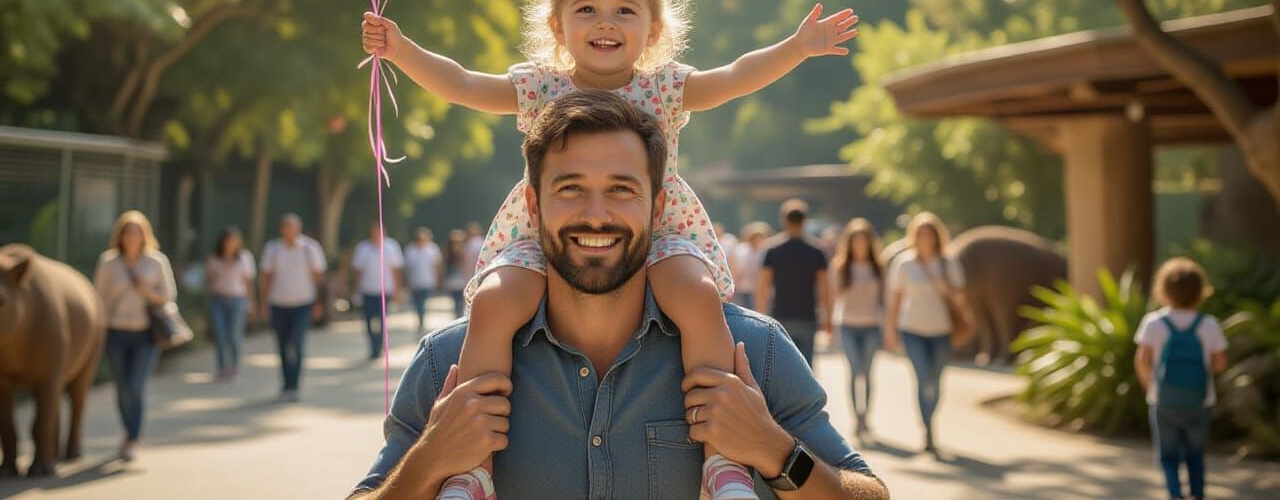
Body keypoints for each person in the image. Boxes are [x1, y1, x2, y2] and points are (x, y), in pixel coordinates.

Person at [361, 0, 858, 500]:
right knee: (496, 300)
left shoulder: (666, 88)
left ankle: (724, 460)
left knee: (696, 296)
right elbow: (463, 83)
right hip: (541, 231)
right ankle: (471, 465)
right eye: (587, 9)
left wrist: (796, 47)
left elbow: (735, 77)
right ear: (557, 25)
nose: (605, 22)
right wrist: (400, 49)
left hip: (661, 229)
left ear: (653, 29)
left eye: (626, 11)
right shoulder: (539, 87)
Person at [349, 90, 886, 500]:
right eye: (571, 188)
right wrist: (429, 461)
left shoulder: (751, 350)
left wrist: (775, 451)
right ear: (533, 210)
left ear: (658, 210)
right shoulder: (452, 361)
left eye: (622, 189)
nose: (597, 213)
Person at [1134, 257, 1228, 500]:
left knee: (1168, 456)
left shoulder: (1153, 323)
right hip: (1200, 401)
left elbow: (1142, 362)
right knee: (1195, 456)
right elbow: (1220, 364)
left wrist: (1150, 388)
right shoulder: (1209, 325)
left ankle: (1175, 495)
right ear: (1200, 292)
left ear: (1163, 291)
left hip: (1162, 401)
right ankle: (1197, 495)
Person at [92, 210, 176, 462]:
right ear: (120, 235)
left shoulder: (156, 261)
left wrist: (147, 292)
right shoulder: (108, 262)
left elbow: (168, 295)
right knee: (122, 387)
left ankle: (132, 437)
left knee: (136, 386)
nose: (131, 236)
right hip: (116, 332)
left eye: (136, 231)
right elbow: (97, 297)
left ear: (144, 235)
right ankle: (128, 430)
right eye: (127, 231)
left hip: (146, 334)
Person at [884, 211, 964, 453]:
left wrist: (945, 289)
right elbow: (896, 300)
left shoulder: (948, 263)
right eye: (920, 233)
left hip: (941, 330)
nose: (925, 237)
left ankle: (931, 420)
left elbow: (960, 298)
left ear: (937, 235)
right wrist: (891, 330)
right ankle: (927, 429)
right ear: (914, 236)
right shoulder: (905, 263)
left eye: (929, 233)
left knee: (936, 381)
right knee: (922, 379)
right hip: (912, 329)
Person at [259, 213, 326, 402]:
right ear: (281, 229)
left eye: (292, 227)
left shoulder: (309, 249)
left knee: (296, 342)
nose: (289, 231)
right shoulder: (273, 249)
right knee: (281, 344)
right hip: (279, 303)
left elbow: (319, 278)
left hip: (303, 303)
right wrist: (263, 303)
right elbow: (267, 277)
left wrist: (320, 303)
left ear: (298, 229)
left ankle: (295, 384)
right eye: (285, 227)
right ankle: (286, 383)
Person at [756, 200, 831, 368]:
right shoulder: (817, 250)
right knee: (807, 365)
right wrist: (828, 318)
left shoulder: (773, 249)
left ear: (783, 220)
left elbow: (763, 286)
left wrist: (760, 316)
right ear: (805, 221)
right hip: (807, 315)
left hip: (781, 314)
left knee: (783, 366)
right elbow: (825, 288)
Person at [829, 218, 885, 439]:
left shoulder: (878, 268)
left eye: (864, 241)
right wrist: (832, 330)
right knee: (854, 372)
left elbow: (886, 298)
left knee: (867, 372)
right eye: (856, 242)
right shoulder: (841, 267)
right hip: (848, 326)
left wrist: (887, 328)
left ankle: (866, 416)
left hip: (871, 325)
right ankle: (857, 419)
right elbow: (834, 300)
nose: (860, 246)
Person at [205, 226, 256, 381]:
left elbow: (248, 282)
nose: (232, 244)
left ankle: (235, 367)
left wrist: (251, 301)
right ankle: (222, 368)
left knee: (234, 335)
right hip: (218, 299)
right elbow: (208, 280)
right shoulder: (214, 259)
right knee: (220, 336)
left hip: (237, 300)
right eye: (229, 241)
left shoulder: (245, 258)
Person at [351, 221, 404, 361]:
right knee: (368, 321)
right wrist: (356, 290)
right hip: (367, 290)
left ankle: (379, 346)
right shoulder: (363, 248)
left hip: (385, 291)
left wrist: (398, 290)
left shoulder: (391, 247)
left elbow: (396, 270)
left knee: (382, 320)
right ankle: (373, 346)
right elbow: (358, 271)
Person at [404, 227, 443, 336]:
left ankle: (421, 322)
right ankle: (420, 320)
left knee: (422, 304)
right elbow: (407, 268)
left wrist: (438, 280)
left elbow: (437, 266)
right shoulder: (410, 250)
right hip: (414, 283)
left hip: (428, 282)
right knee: (417, 304)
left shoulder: (433, 249)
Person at [733, 222, 772, 310]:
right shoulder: (741, 250)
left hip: (762, 290)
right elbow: (737, 270)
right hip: (745, 289)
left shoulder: (766, 251)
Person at [443, 229, 473, 318]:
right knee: (457, 300)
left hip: (461, 279)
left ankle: (459, 315)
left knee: (460, 300)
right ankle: (458, 315)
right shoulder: (449, 253)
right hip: (454, 279)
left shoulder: (465, 251)